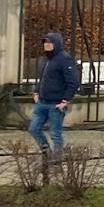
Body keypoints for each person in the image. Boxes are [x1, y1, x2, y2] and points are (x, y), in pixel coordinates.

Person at [31, 31, 80, 159]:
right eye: (45, 43)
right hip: (42, 102)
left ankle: (57, 158)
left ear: (56, 44)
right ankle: (46, 151)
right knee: (34, 128)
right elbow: (42, 78)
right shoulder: (45, 60)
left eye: (49, 42)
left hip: (56, 104)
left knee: (55, 133)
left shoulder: (64, 59)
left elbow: (73, 81)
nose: (46, 45)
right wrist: (36, 91)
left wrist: (65, 100)